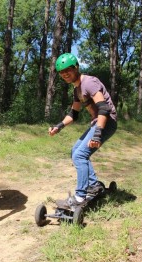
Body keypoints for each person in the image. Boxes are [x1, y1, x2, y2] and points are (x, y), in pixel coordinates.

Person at [49, 53, 117, 209]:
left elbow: (104, 108)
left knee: (80, 155)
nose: (65, 74)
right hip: (97, 123)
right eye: (61, 71)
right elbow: (74, 113)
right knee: (75, 151)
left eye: (68, 70)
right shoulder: (77, 89)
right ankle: (93, 185)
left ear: (76, 68)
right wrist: (58, 126)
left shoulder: (89, 83)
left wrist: (98, 133)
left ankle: (80, 197)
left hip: (107, 122)